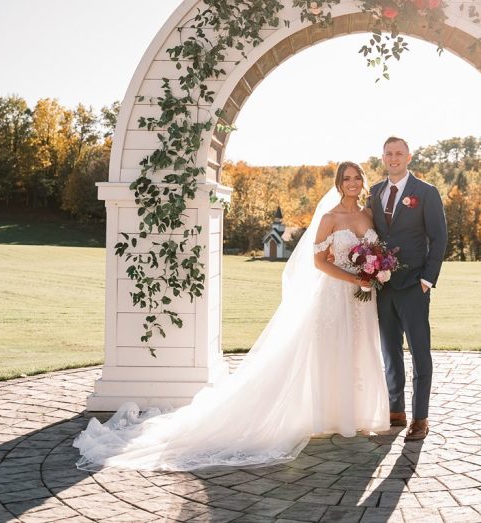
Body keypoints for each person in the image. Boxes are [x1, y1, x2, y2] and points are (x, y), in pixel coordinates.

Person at [73, 162, 389, 471]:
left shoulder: (368, 214)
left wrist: (375, 272)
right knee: (329, 354)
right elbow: (320, 262)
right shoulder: (330, 217)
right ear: (338, 184)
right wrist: (354, 279)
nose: (352, 183)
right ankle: (327, 416)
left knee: (357, 352)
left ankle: (354, 415)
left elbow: (376, 251)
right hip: (336, 296)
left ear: (363, 182)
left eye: (356, 178)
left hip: (362, 300)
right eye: (346, 178)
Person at [369, 137, 448, 442]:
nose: (393, 158)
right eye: (388, 153)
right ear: (383, 157)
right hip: (384, 286)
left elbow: (439, 238)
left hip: (415, 285)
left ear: (409, 157)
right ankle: (396, 409)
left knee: (419, 353)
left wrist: (427, 280)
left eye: (399, 153)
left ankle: (421, 417)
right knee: (390, 352)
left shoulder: (426, 192)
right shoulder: (374, 193)